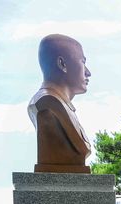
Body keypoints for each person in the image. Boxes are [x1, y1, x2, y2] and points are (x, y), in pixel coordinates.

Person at [28, 34, 92, 173]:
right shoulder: (48, 104)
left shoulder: (62, 106)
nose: (88, 73)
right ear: (62, 64)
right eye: (83, 62)